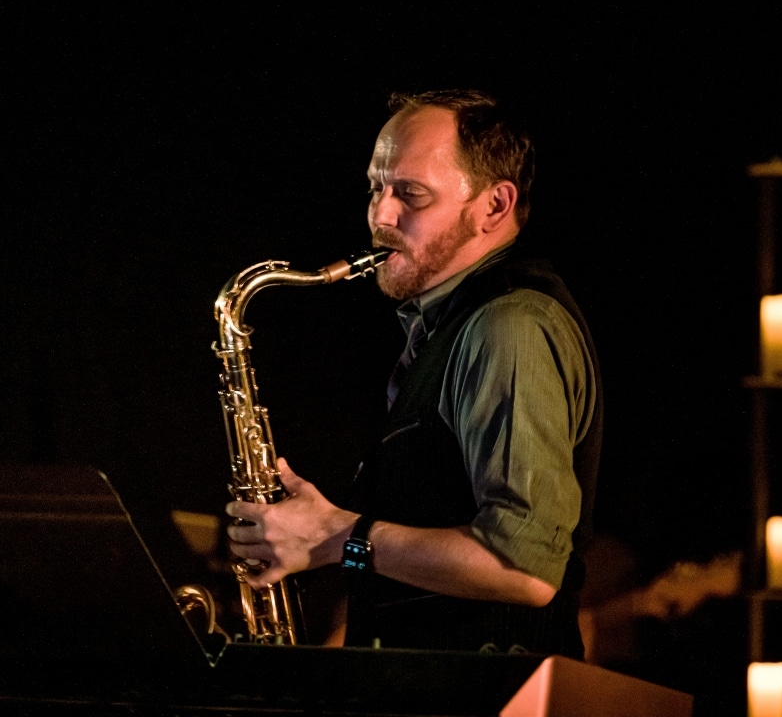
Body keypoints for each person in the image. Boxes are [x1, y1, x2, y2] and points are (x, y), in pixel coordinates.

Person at [225, 89, 602, 657]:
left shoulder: (509, 326)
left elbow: (524, 567)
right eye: (376, 188)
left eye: (411, 193)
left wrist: (337, 536)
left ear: (494, 206)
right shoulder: (449, 326)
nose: (380, 215)